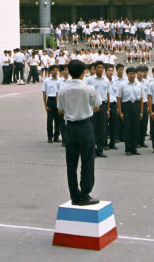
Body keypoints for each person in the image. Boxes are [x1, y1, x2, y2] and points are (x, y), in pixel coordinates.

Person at [57, 59, 101, 206]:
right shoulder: (89, 89)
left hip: (70, 127)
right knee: (87, 160)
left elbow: (60, 109)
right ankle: (85, 192)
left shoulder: (63, 89)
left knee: (71, 163)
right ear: (84, 72)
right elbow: (96, 108)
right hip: (85, 126)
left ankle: (74, 195)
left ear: (68, 71)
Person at [116, 67, 144, 155]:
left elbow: (142, 99)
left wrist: (141, 111)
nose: (132, 75)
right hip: (126, 106)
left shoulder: (139, 85)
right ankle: (128, 148)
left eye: (134, 73)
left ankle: (134, 148)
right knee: (127, 128)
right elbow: (119, 98)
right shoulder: (122, 85)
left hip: (136, 105)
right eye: (130, 73)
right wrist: (120, 112)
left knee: (135, 128)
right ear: (127, 74)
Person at [85, 61, 110, 157]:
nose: (100, 69)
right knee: (93, 128)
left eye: (102, 67)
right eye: (98, 67)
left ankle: (100, 149)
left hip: (103, 105)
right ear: (94, 69)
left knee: (102, 128)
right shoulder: (89, 80)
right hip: (92, 106)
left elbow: (107, 95)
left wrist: (108, 109)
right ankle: (92, 151)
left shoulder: (106, 80)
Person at [42, 65, 62, 142]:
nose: (55, 72)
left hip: (58, 101)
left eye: (56, 70)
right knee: (50, 120)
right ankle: (50, 137)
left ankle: (56, 136)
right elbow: (44, 93)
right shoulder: (46, 81)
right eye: (53, 70)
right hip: (50, 100)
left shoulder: (60, 81)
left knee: (58, 120)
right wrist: (45, 105)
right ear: (50, 72)